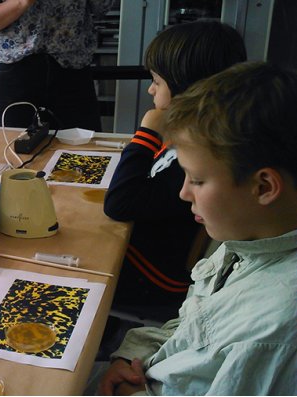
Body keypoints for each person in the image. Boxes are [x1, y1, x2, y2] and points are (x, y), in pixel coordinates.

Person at [97, 61, 297, 395]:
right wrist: (132, 354)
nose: (183, 192)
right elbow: (195, 324)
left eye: (198, 180)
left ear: (263, 188)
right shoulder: (247, 240)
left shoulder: (274, 329)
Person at [103, 21, 247, 321]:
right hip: (137, 253)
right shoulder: (193, 136)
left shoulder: (199, 155)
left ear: (187, 88)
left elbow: (120, 203)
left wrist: (145, 135)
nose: (151, 88)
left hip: (152, 281)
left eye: (157, 80)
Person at [0, 0, 114, 130]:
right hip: (14, 73)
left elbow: (102, 7)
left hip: (72, 70)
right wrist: (21, 2)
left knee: (84, 154)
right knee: (14, 152)